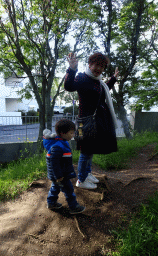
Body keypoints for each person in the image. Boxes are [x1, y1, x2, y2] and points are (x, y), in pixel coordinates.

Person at [64, 52, 119, 189]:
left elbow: (101, 91)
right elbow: (69, 86)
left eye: (102, 66)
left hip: (94, 121)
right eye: (96, 65)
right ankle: (81, 180)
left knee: (90, 150)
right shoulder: (82, 78)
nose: (98, 69)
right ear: (90, 64)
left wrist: (113, 79)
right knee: (86, 151)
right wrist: (71, 69)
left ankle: (87, 174)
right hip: (85, 121)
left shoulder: (97, 81)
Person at [43, 119, 85, 214]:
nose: (73, 135)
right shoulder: (57, 146)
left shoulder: (62, 142)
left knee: (55, 188)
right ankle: (73, 207)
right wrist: (58, 176)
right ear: (62, 133)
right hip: (60, 175)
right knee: (69, 190)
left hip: (60, 174)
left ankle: (51, 203)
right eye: (71, 133)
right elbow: (54, 162)